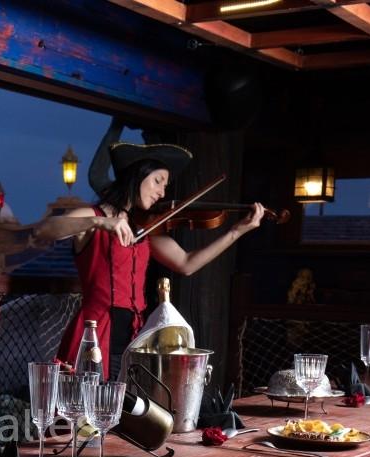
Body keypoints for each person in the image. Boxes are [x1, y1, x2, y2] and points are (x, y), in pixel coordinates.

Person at [34, 140, 264, 377]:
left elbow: (186, 263)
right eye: (157, 181)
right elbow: (43, 230)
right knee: (86, 408)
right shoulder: (94, 216)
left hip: (135, 336)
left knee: (130, 410)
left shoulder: (144, 228)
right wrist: (100, 222)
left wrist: (236, 232)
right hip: (93, 334)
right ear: (136, 175)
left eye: (165, 185)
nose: (162, 192)